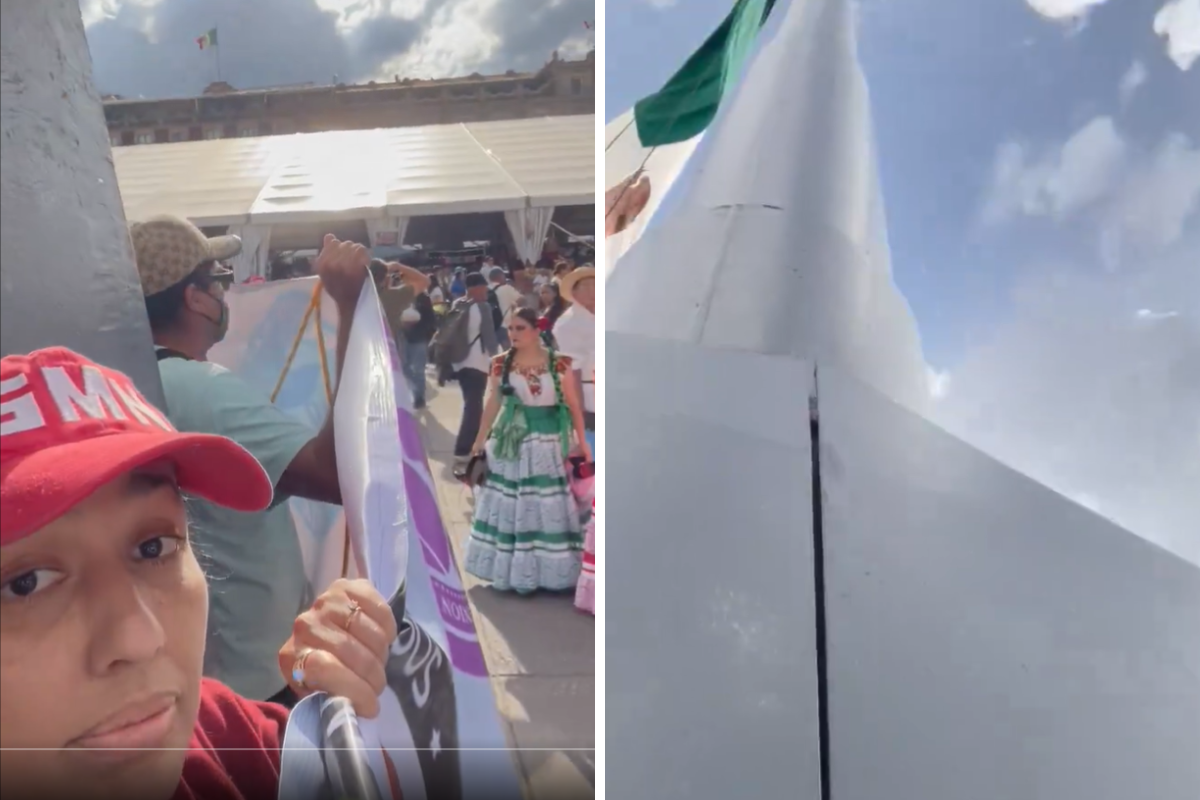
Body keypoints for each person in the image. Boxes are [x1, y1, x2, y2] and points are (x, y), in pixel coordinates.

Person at [0, 347, 395, 800]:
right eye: (24, 584)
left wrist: (356, 725)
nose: (139, 637)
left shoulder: (232, 740)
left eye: (155, 547)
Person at [131, 214, 370, 704]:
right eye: (219, 282)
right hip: (253, 680)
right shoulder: (199, 388)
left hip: (206, 668)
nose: (225, 297)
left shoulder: (133, 377)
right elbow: (336, 473)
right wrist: (350, 307)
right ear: (195, 298)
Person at [463, 309, 592, 594]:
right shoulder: (499, 365)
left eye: (520, 328)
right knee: (512, 503)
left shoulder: (560, 364)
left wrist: (584, 446)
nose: (513, 334)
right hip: (511, 442)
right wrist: (478, 441)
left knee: (546, 504)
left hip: (548, 441)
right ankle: (511, 573)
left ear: (537, 330)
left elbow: (573, 406)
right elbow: (493, 404)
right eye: (510, 329)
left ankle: (549, 574)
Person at [449, 272, 501, 474]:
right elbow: (489, 337)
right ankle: (464, 449)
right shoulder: (483, 307)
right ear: (475, 288)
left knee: (472, 404)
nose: (486, 291)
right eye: (484, 287)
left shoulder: (458, 304)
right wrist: (498, 360)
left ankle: (473, 445)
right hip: (477, 362)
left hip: (459, 362)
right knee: (474, 406)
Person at [553, 266, 597, 453]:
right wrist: (579, 411)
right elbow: (573, 370)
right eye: (585, 286)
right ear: (574, 292)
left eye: (594, 285)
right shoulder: (568, 323)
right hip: (588, 394)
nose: (592, 290)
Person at [401, 280, 438, 410]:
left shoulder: (423, 298)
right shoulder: (400, 296)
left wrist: (418, 327)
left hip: (418, 339)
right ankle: (416, 390)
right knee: (403, 367)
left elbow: (430, 320)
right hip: (403, 338)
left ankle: (419, 397)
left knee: (419, 369)